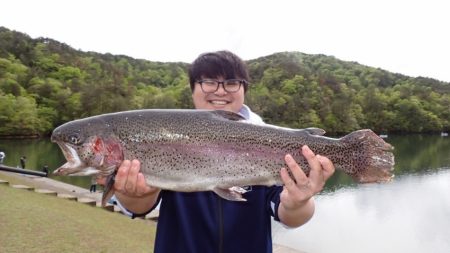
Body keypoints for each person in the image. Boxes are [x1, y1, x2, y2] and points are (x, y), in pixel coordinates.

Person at [99, 51, 335, 253]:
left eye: (231, 82)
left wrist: (298, 202)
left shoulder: (268, 140)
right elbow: (139, 208)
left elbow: (288, 215)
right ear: (193, 89)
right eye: (209, 82)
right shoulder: (165, 137)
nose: (220, 91)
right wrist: (136, 194)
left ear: (244, 89)